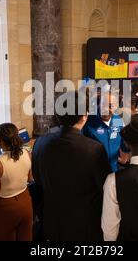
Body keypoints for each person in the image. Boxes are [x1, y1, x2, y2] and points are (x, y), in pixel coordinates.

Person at [33, 91, 112, 241]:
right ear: (84, 116)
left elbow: (37, 179)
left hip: (52, 223)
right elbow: (105, 188)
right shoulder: (94, 149)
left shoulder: (40, 142)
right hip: (84, 226)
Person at [83, 91, 125, 172]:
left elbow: (123, 141)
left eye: (110, 106)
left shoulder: (118, 120)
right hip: (94, 172)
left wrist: (126, 152)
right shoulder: (88, 121)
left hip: (114, 171)